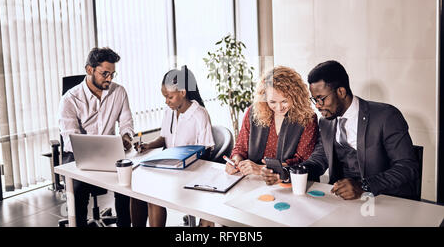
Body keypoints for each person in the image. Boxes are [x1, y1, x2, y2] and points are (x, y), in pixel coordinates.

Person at [279, 60, 419, 200]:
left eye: (321, 99)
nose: (318, 106)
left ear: (341, 92)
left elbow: (407, 167)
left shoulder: (386, 116)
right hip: (341, 200)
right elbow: (320, 158)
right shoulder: (326, 122)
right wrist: (289, 172)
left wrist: (364, 186)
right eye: (315, 100)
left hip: (383, 199)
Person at [58, 47, 134, 227]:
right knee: (77, 189)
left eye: (112, 74)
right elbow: (70, 139)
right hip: (78, 155)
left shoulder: (119, 92)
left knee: (127, 184)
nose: (109, 78)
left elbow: (126, 123)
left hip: (111, 152)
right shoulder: (70, 99)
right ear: (89, 70)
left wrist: (126, 137)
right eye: (105, 73)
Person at [131, 65, 215, 227]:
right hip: (168, 167)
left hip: (189, 171)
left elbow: (207, 150)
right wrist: (148, 145)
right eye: (164, 97)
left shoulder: (199, 114)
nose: (166, 101)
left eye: (169, 97)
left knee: (153, 198)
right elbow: (164, 137)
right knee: (136, 192)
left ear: (183, 93)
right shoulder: (169, 110)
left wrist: (186, 162)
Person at [226, 66, 318, 184]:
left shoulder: (308, 119)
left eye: (284, 101)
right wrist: (235, 160)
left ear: (296, 96)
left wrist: (262, 169)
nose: (279, 108)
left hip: (289, 184)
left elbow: (303, 162)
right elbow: (241, 148)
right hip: (252, 182)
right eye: (272, 102)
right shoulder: (253, 113)